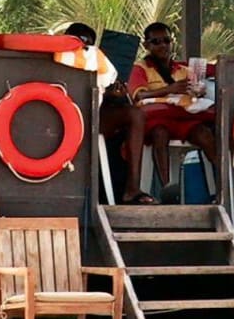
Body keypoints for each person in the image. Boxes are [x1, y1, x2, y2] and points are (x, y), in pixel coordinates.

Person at [64, 23, 155, 205]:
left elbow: (98, 91)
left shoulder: (94, 59)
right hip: (62, 117)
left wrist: (113, 92)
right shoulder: (56, 56)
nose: (82, 47)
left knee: (135, 115)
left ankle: (132, 189)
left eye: (87, 44)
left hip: (93, 115)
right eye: (78, 41)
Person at [128, 22, 218, 202]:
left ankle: (222, 188)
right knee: (159, 134)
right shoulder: (140, 68)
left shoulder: (184, 69)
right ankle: (166, 190)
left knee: (205, 134)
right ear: (147, 45)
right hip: (157, 119)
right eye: (156, 41)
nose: (162, 45)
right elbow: (139, 95)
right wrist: (171, 89)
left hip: (183, 117)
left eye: (166, 40)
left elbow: (211, 74)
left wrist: (198, 90)